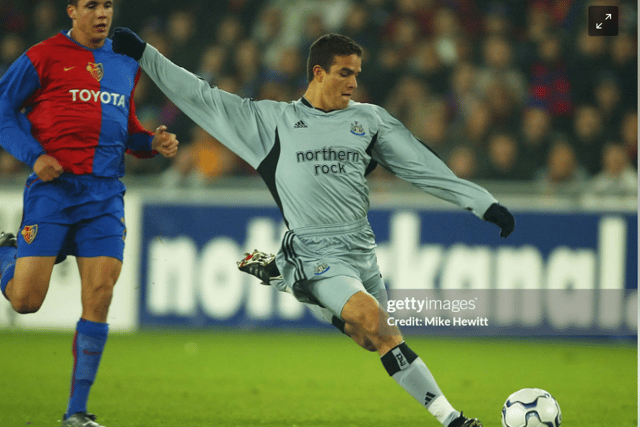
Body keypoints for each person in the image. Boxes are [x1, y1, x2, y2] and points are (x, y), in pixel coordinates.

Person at [112, 28, 515, 427]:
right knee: (375, 323)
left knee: (370, 338)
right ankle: (455, 421)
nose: (354, 83)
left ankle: (284, 277)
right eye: (345, 73)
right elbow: (198, 95)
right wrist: (145, 53)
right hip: (315, 251)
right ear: (318, 73)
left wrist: (482, 203)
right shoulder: (270, 121)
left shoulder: (370, 120)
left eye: (357, 74)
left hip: (361, 251)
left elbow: (421, 166)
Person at [0, 1, 179, 426]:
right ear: (72, 10)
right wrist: (34, 155)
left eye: (108, 5)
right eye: (92, 5)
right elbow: (3, 111)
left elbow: (126, 129)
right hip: (54, 191)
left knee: (100, 294)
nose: (103, 13)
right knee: (26, 302)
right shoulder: (42, 56)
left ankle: (76, 413)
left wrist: (150, 143)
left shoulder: (123, 61)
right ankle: (6, 254)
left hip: (104, 196)